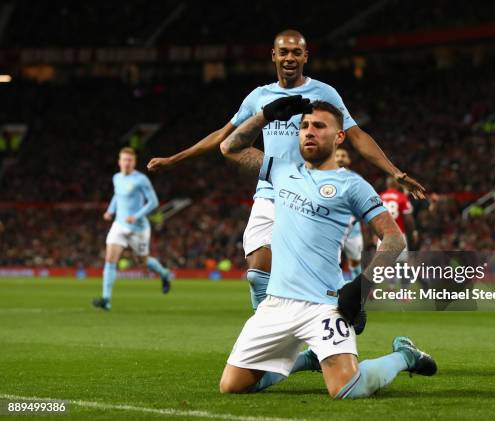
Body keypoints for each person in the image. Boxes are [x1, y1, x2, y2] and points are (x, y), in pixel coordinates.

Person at [147, 29, 425, 314]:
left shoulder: (324, 93)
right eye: (284, 52)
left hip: (311, 195)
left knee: (307, 284)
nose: (289, 57)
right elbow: (224, 136)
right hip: (270, 188)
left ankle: (326, 331)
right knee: (257, 273)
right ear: (274, 56)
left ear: (305, 56)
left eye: (296, 52)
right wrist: (174, 159)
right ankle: (270, 336)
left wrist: (395, 171)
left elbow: (356, 135)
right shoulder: (259, 97)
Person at [218, 97, 436, 398]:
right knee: (233, 386)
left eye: (319, 126)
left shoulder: (352, 185)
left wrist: (361, 287)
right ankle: (309, 358)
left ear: (339, 136)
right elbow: (229, 148)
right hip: (276, 304)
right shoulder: (281, 171)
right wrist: (264, 116)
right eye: (305, 125)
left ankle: (405, 356)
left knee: (346, 390)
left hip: (324, 304)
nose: (309, 131)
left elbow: (395, 238)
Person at [92, 147, 171, 310]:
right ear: (119, 162)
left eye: (130, 160)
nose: (127, 163)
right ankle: (106, 300)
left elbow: (153, 202)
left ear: (134, 162)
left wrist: (136, 215)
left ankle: (164, 274)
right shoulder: (116, 178)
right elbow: (117, 195)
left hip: (138, 228)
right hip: (119, 225)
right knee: (110, 259)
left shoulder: (141, 180)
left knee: (142, 262)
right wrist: (110, 210)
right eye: (124, 160)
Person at [335, 147, 364, 278]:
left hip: (353, 230)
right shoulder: (323, 176)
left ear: (349, 160)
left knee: (355, 263)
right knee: (331, 261)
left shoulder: (356, 179)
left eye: (343, 155)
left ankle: (358, 290)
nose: (340, 158)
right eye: (337, 155)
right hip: (332, 228)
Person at [380, 176, 417, 250]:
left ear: (387, 185)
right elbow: (408, 219)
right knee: (401, 262)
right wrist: (413, 232)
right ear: (397, 185)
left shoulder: (379, 197)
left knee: (383, 261)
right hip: (399, 235)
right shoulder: (402, 197)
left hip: (383, 236)